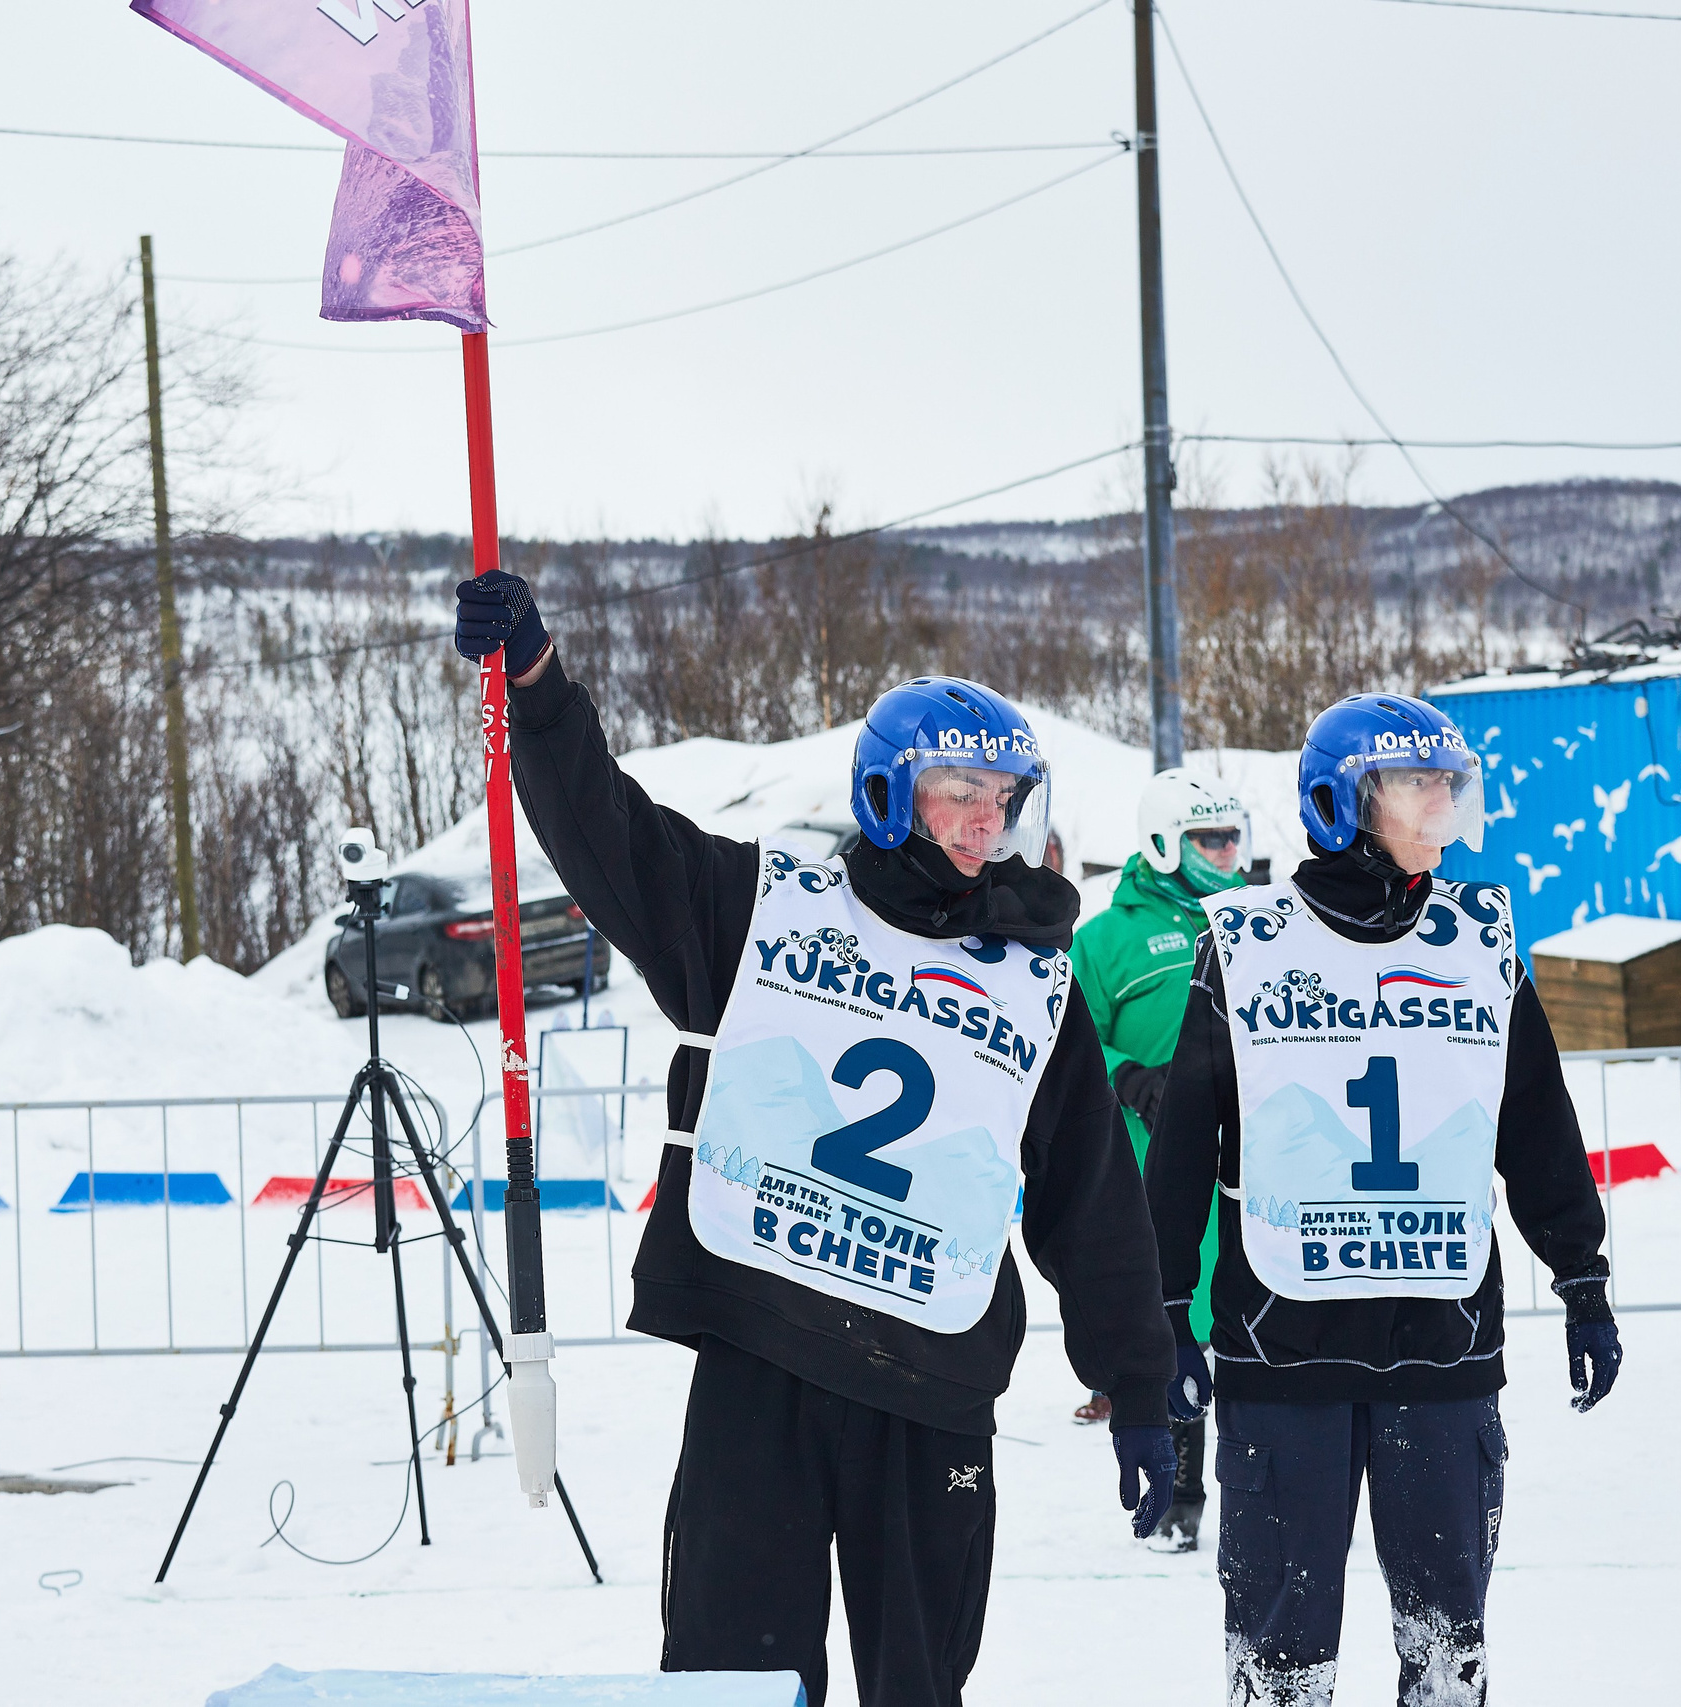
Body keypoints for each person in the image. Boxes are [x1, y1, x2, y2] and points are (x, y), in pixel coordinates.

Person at [455, 570, 1176, 1707]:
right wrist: (540, 693)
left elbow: (1091, 1201)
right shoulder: (765, 908)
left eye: (1005, 795)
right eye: (956, 791)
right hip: (764, 1359)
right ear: (892, 794)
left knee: (918, 1689)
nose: (985, 819)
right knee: (730, 1685)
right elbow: (614, 841)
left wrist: (1139, 1383)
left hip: (930, 1383)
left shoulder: (1036, 987)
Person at [1147, 693, 1622, 1705]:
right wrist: (1157, 1318)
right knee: (1279, 1668)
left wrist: (1581, 1277)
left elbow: (1533, 1123)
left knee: (1447, 1657)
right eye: (1419, 783)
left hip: (1441, 1355)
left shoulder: (1478, 939)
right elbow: (1183, 1146)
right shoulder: (1241, 941)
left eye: (1451, 783)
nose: (1443, 802)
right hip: (1284, 1355)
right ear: (1344, 802)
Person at [1066, 769, 1251, 1548]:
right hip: (1151, 1168)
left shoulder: (1256, 925)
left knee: (1252, 1324)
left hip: (1245, 1160)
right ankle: (1178, 1489)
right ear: (1164, 843)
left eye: (1232, 839)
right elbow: (1063, 1034)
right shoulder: (1108, 937)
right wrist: (1126, 1074)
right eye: (1209, 840)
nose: (1226, 854)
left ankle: (1273, 1488)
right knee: (1169, 1324)